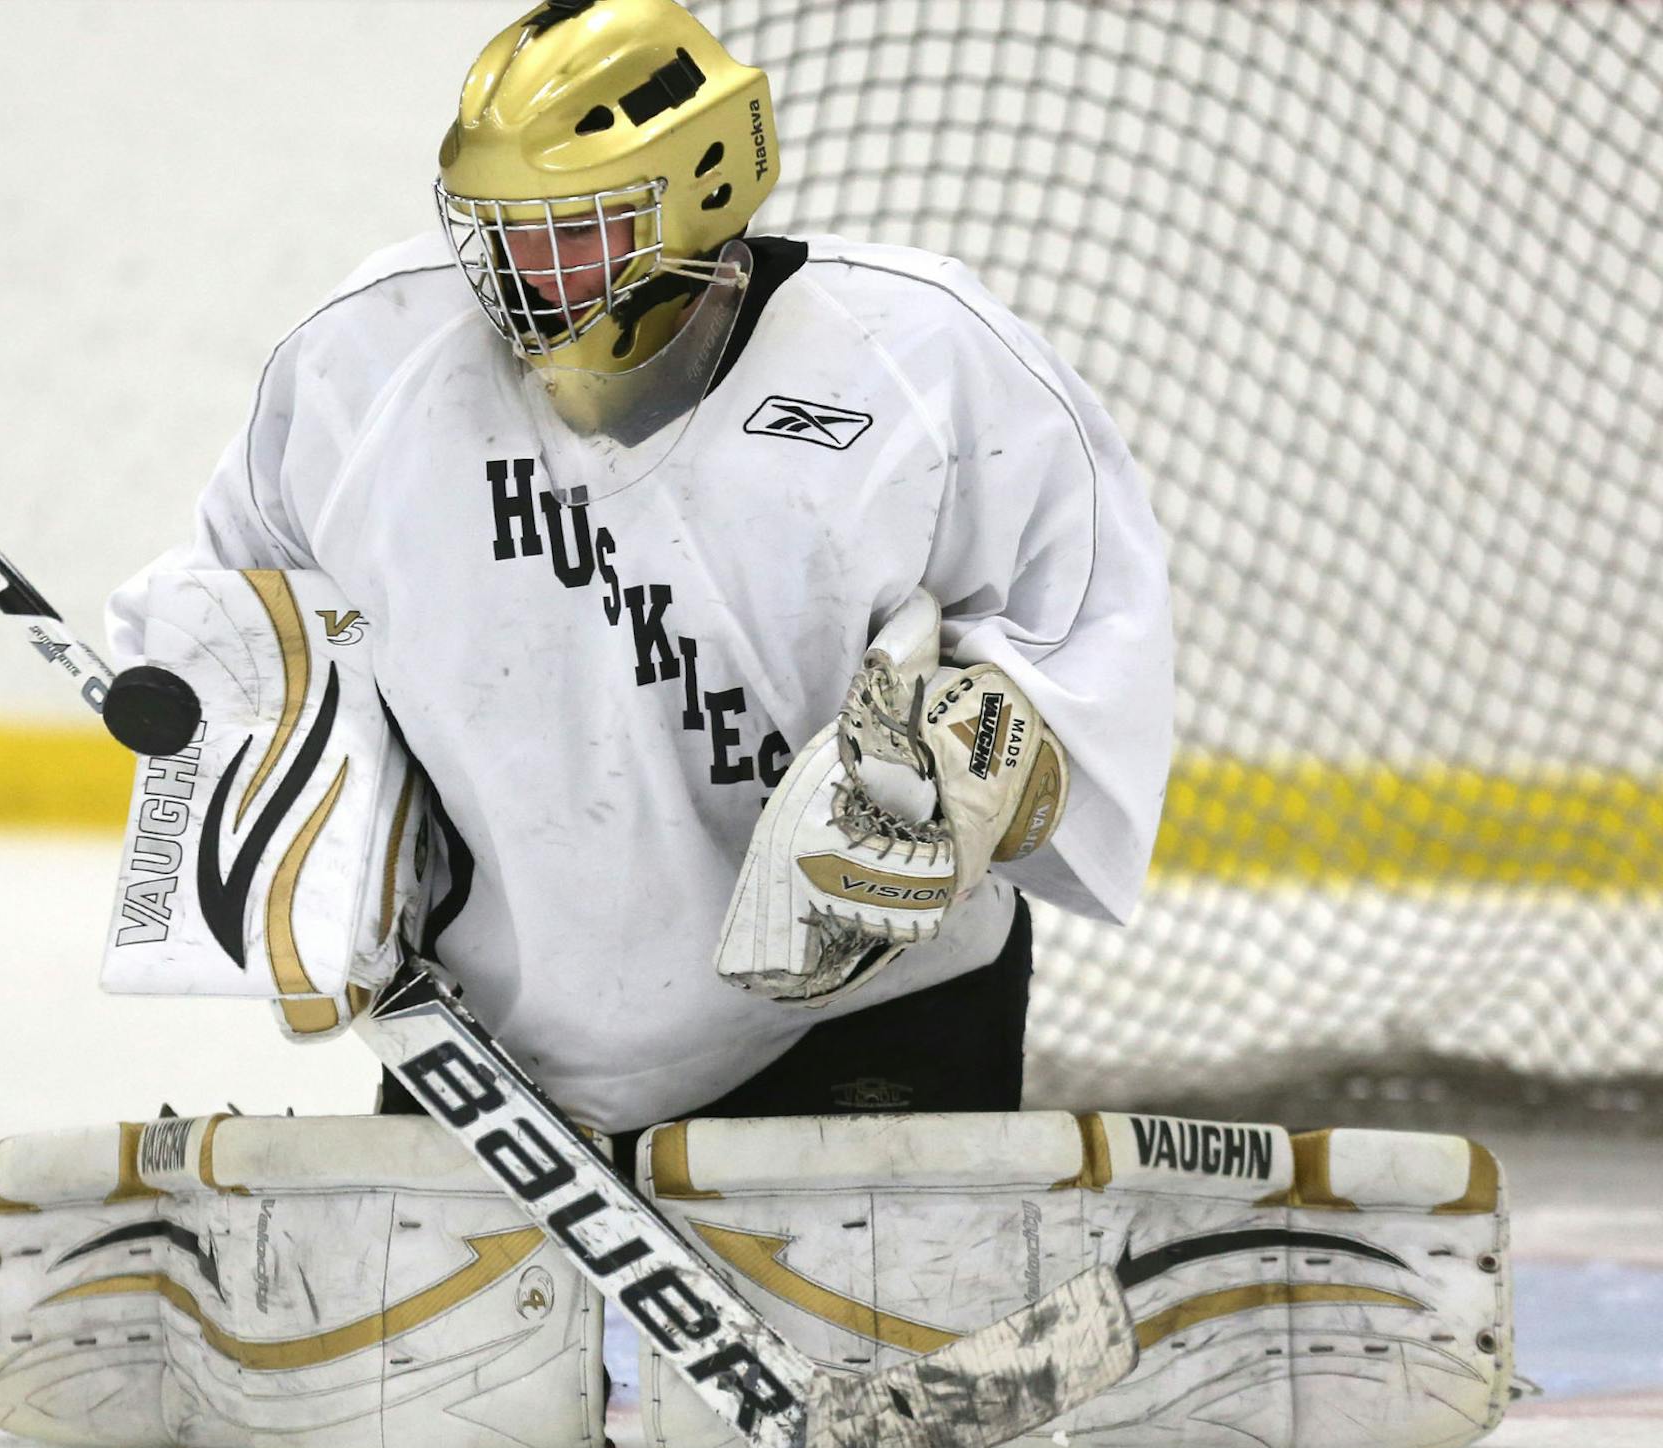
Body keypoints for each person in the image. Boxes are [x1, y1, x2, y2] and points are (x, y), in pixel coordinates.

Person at [104, 0, 1173, 1159]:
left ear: (703, 187)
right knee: (443, 1352)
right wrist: (244, 746)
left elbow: (1087, 622)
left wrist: (992, 762)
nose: (520, 274)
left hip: (872, 1015)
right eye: (498, 231)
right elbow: (235, 613)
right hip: (477, 1036)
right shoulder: (365, 365)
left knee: (884, 1350)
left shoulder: (925, 356)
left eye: (574, 227)